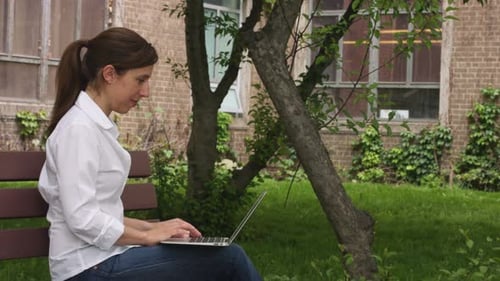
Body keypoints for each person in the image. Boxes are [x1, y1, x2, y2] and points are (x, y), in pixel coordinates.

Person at [38, 27, 262, 281]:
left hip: (104, 259)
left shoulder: (94, 126)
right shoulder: (78, 130)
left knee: (218, 257)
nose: (146, 92)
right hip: (86, 268)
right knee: (229, 259)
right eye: (140, 80)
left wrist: (155, 228)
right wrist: (147, 236)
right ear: (109, 74)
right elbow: (81, 217)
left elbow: (101, 213)